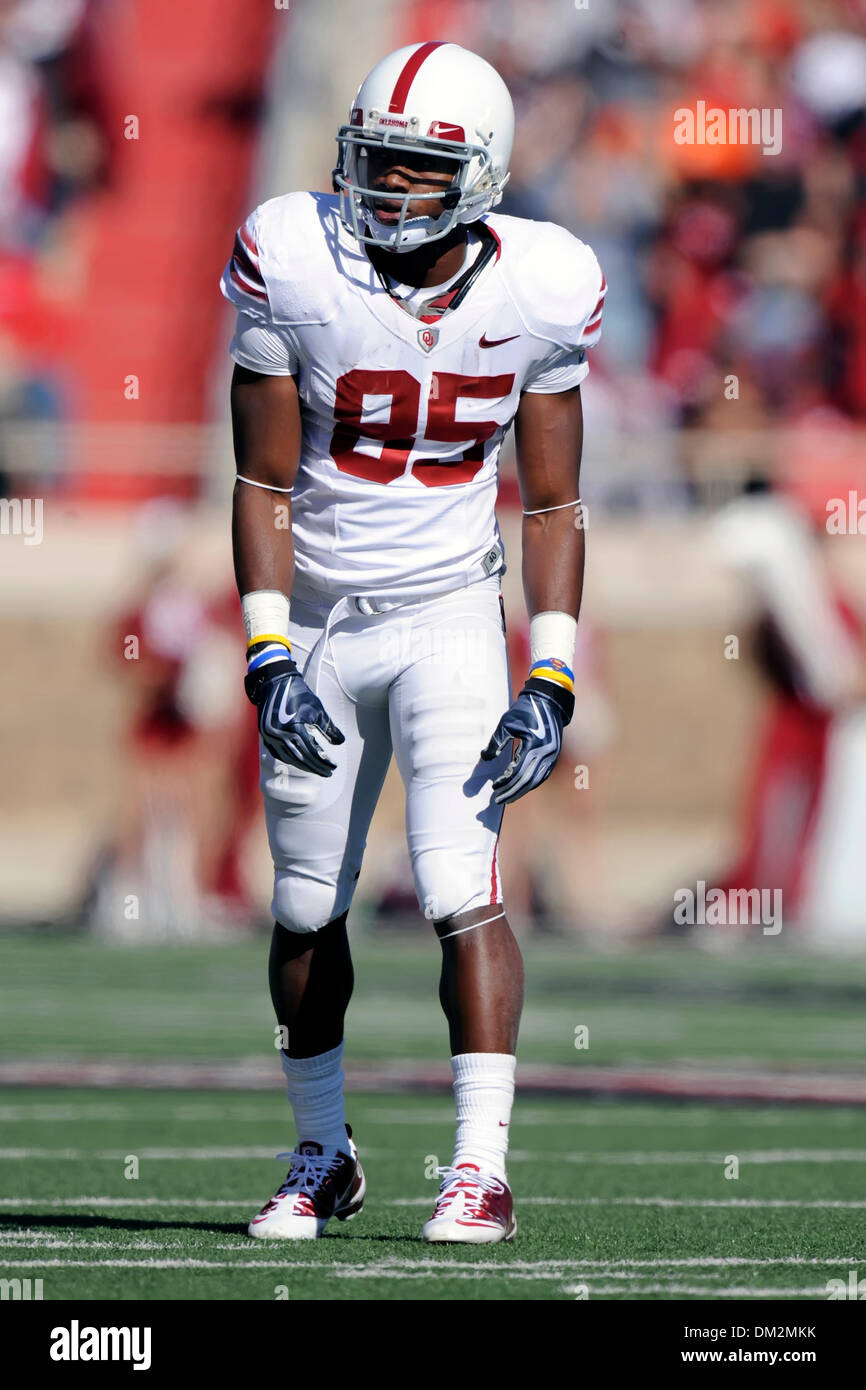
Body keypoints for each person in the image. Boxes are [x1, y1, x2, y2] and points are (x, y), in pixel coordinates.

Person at [220, 40, 605, 1244]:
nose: (382, 194)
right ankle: (323, 1151)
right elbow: (262, 480)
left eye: (413, 172)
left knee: (456, 881)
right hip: (324, 618)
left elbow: (550, 503)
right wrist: (267, 649)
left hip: (447, 612)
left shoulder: (539, 284)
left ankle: (479, 1166)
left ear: (480, 176)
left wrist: (550, 673)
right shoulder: (292, 258)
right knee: (300, 907)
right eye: (372, 164)